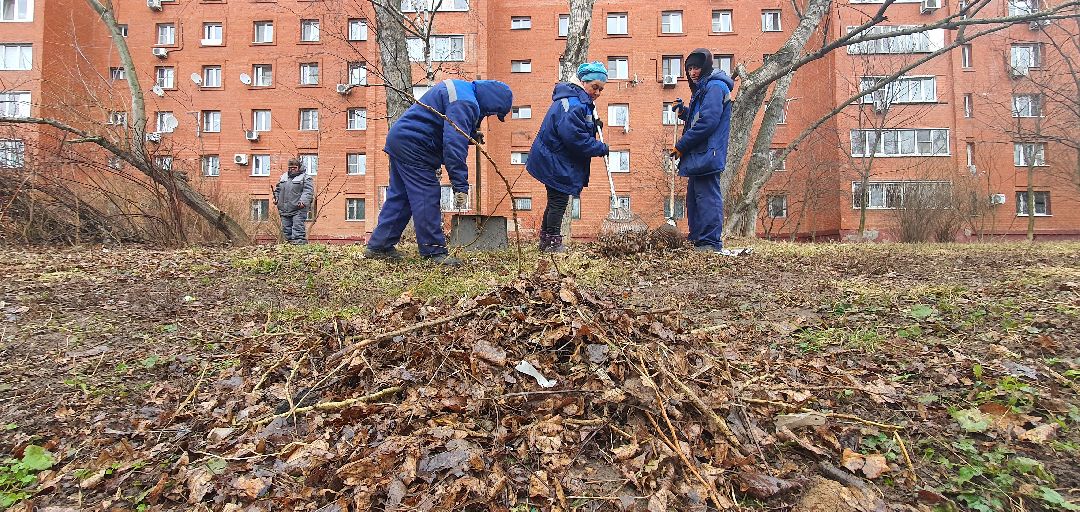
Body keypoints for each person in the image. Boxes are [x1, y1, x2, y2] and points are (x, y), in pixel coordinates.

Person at [365, 79, 513, 266]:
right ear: (491, 102)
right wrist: (460, 184)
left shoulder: (463, 90)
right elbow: (453, 144)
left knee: (401, 197)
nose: (489, 115)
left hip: (401, 139)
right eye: (493, 112)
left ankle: (379, 246)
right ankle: (433, 252)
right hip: (415, 146)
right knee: (426, 195)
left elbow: (442, 124)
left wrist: (471, 134)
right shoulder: (465, 102)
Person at [526, 62, 610, 253]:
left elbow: (577, 128)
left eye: (601, 89)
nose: (597, 92)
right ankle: (553, 243)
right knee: (558, 201)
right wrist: (600, 147)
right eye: (595, 87)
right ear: (583, 82)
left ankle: (546, 241)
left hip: (555, 158)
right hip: (555, 160)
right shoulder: (572, 104)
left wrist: (595, 125)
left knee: (555, 200)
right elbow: (575, 139)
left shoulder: (577, 100)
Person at [671, 48, 736, 254]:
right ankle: (699, 240)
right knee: (694, 199)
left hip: (709, 152)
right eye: (689, 68)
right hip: (701, 153)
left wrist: (681, 145)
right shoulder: (703, 89)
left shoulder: (715, 87)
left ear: (706, 66)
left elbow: (708, 122)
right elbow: (699, 118)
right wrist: (684, 112)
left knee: (707, 197)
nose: (693, 72)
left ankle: (710, 242)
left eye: (697, 67)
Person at [274, 158, 314, 244]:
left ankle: (300, 248)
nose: (292, 169)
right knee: (286, 231)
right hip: (284, 209)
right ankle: (289, 248)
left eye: (294, 168)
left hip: (298, 208)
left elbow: (308, 192)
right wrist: (276, 198)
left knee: (298, 231)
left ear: (299, 167)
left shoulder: (305, 178)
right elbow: (277, 190)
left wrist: (303, 201)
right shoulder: (283, 177)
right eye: (290, 167)